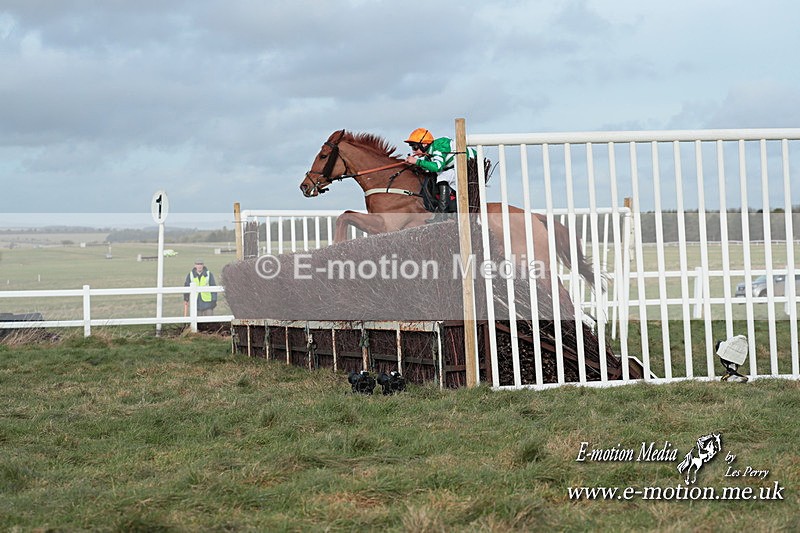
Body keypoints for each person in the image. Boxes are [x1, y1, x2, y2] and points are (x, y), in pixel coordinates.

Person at [404, 128, 477, 222]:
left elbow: (437, 166)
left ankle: (442, 214)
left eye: (415, 147)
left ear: (424, 144)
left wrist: (416, 161)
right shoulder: (428, 153)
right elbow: (427, 168)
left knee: (443, 176)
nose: (414, 151)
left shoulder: (438, 147)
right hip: (458, 165)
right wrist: (415, 164)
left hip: (469, 164)